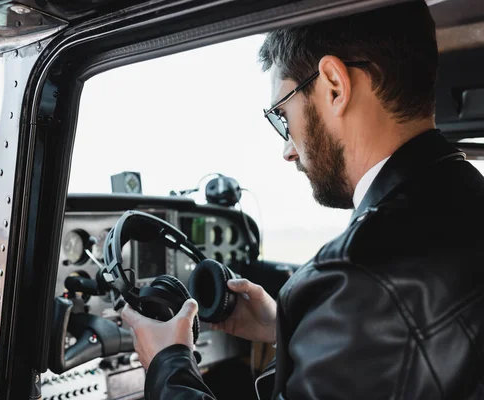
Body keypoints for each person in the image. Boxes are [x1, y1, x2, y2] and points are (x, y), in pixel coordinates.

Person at [121, 1, 484, 398]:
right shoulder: (466, 198)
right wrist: (288, 325)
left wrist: (167, 362)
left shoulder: (360, 279)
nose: (288, 151)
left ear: (333, 86)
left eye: (283, 114)